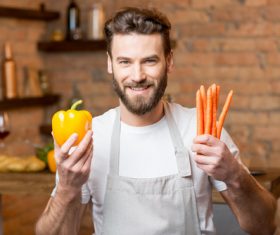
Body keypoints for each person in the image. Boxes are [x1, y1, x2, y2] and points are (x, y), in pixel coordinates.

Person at [36, 7, 277, 235]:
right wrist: (67, 188)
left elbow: (265, 226)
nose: (137, 76)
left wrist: (234, 174)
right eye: (125, 62)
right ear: (110, 63)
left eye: (149, 61)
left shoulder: (201, 129)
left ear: (169, 61)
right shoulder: (91, 136)